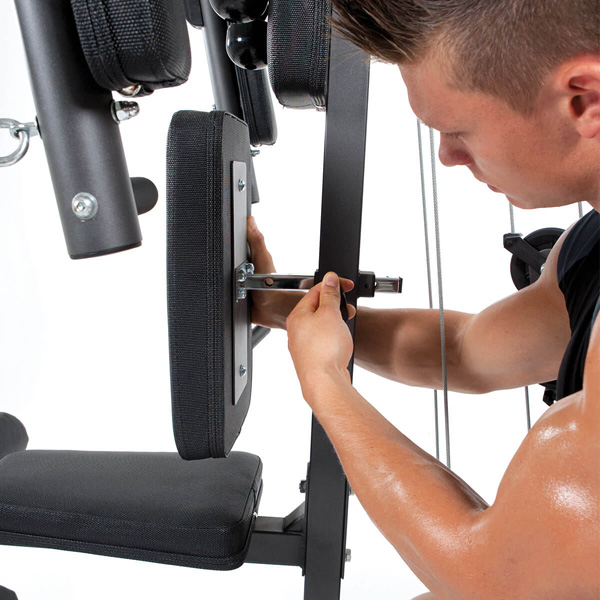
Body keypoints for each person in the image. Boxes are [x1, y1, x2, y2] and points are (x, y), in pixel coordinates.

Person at [247, 0, 600, 597]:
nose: (448, 156)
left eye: (458, 130)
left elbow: (494, 581)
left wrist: (325, 383)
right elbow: (466, 352)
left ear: (583, 100)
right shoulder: (589, 248)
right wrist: (283, 310)